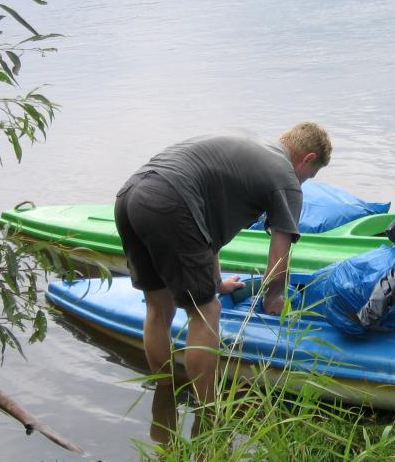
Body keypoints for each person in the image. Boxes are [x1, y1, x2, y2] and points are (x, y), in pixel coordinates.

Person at [114, 123, 331, 404]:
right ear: (308, 158)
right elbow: (279, 260)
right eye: (309, 176)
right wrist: (273, 298)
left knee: (158, 307)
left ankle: (164, 399)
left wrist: (216, 283)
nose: (303, 182)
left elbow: (206, 232)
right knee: (206, 312)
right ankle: (209, 409)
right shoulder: (285, 178)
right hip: (169, 201)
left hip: (130, 194)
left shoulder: (247, 146)